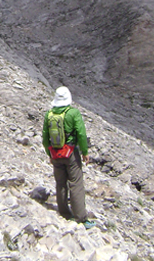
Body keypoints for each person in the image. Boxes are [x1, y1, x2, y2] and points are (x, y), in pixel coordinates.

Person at [42, 86, 95, 229]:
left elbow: (45, 138)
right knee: (76, 183)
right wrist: (84, 152)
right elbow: (81, 133)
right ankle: (80, 218)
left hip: (55, 153)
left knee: (60, 183)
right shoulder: (73, 113)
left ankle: (64, 213)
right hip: (70, 153)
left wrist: (50, 154)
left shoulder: (49, 114)